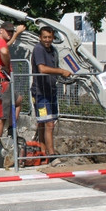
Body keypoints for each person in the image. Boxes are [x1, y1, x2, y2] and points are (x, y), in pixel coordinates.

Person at [0, 21, 25, 167]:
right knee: (0, 118)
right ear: (0, 30)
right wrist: (7, 66)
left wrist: (17, 34)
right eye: (7, 31)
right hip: (0, 84)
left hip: (0, 84)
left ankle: (11, 130)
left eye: (11, 31)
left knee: (18, 100)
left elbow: (6, 46)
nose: (9, 33)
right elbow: (4, 51)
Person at [31, 26, 72, 166]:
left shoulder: (53, 50)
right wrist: (61, 71)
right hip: (40, 93)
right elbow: (42, 68)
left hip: (51, 91)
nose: (47, 40)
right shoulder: (38, 49)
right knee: (48, 123)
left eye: (50, 37)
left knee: (45, 123)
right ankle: (52, 155)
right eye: (45, 37)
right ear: (40, 37)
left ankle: (43, 153)